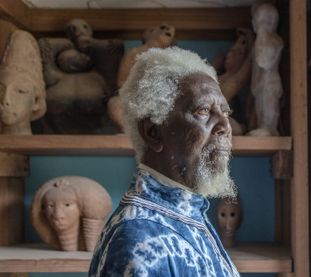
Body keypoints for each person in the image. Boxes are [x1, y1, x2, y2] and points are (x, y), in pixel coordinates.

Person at [89, 47, 239, 276]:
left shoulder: (186, 212)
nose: (225, 127)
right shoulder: (138, 242)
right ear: (152, 132)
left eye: (225, 113)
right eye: (203, 111)